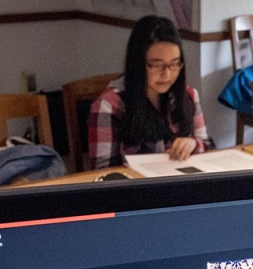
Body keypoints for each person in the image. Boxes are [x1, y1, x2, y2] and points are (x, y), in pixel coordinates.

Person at [89, 15, 209, 169]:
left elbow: (207, 145)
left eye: (174, 64)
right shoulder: (109, 105)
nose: (167, 75)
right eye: (157, 65)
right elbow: (103, 171)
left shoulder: (188, 95)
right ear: (137, 63)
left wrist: (193, 143)